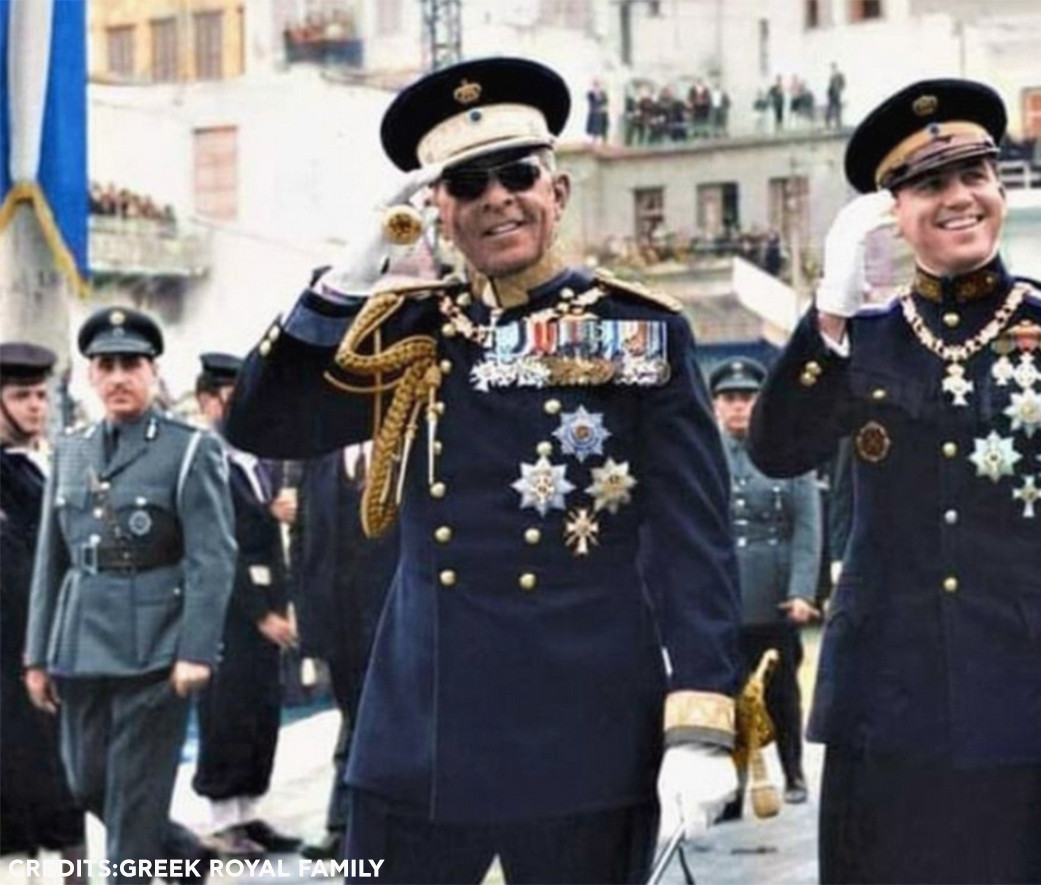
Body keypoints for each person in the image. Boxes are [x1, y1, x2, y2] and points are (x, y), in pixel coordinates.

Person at [222, 56, 741, 883]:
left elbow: (695, 543)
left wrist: (700, 725)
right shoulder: (409, 332)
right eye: (467, 184)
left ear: (557, 193)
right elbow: (260, 421)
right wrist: (346, 281)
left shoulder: (636, 332)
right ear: (437, 209)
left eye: (517, 175)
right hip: (424, 730)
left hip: (584, 728)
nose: (496, 198)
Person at [747, 78, 1041, 883]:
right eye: (930, 184)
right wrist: (828, 311)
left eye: (976, 174)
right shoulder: (862, 340)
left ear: (1001, 188)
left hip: (1025, 701)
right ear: (894, 213)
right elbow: (778, 448)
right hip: (881, 700)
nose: (960, 198)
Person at [24, 307, 235, 884]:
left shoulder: (188, 450)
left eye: (131, 365)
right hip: (80, 644)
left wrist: (197, 650)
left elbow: (212, 557)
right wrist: (37, 655)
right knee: (87, 783)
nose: (118, 377)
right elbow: (51, 557)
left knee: (134, 808)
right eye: (106, 365)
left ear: (153, 372)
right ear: (91, 376)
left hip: (157, 649)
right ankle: (183, 856)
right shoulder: (72, 449)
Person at [190, 354, 301, 857]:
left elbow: (268, 544)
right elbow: (218, 549)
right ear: (208, 402)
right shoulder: (206, 462)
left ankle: (247, 813)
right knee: (226, 712)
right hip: (228, 612)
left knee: (259, 711)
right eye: (232, 400)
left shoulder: (255, 461)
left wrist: (283, 603)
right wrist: (260, 613)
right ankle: (222, 820)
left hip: (266, 606)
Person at [709, 358, 820, 809]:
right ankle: (734, 786)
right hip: (723, 593)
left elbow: (806, 526)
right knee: (727, 695)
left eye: (746, 398)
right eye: (729, 398)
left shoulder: (786, 449)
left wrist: (801, 591)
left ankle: (793, 772)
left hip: (775, 595)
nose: (738, 407)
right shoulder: (703, 454)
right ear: (716, 405)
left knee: (781, 692)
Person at [0, 343, 88, 878]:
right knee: (14, 800)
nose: (35, 406)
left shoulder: (50, 464)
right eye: (21, 396)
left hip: (56, 653)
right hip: (11, 659)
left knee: (63, 789)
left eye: (40, 395)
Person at [293, 444, 398, 863]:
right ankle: (346, 827)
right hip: (339, 621)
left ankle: (349, 827)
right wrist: (307, 617)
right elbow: (303, 538)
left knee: (375, 723)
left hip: (392, 617)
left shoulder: (404, 452)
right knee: (353, 717)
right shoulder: (319, 459)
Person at [826, 63, 846, 130]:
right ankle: (828, 123)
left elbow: (843, 84)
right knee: (830, 109)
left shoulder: (839, 75)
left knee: (837, 109)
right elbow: (830, 86)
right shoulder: (832, 76)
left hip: (836, 94)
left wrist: (839, 90)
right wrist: (829, 93)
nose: (833, 69)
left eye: (833, 67)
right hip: (831, 94)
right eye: (832, 67)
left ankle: (838, 124)